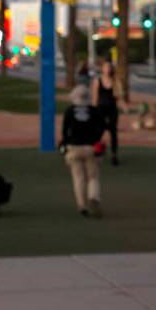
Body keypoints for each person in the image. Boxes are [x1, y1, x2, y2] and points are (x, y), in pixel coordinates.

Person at [61, 85, 109, 217]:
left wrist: (65, 145)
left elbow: (65, 131)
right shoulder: (94, 111)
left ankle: (82, 205)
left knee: (78, 178)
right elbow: (103, 126)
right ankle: (93, 196)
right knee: (93, 176)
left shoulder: (69, 111)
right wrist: (97, 139)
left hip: (73, 148)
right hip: (90, 147)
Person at [90, 60, 123, 166]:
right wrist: (93, 110)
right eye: (105, 67)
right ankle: (96, 151)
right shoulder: (97, 81)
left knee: (113, 132)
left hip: (112, 110)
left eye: (109, 67)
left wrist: (123, 107)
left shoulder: (115, 81)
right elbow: (95, 97)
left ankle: (114, 155)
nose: (107, 69)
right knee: (98, 131)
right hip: (100, 110)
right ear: (102, 69)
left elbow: (118, 97)